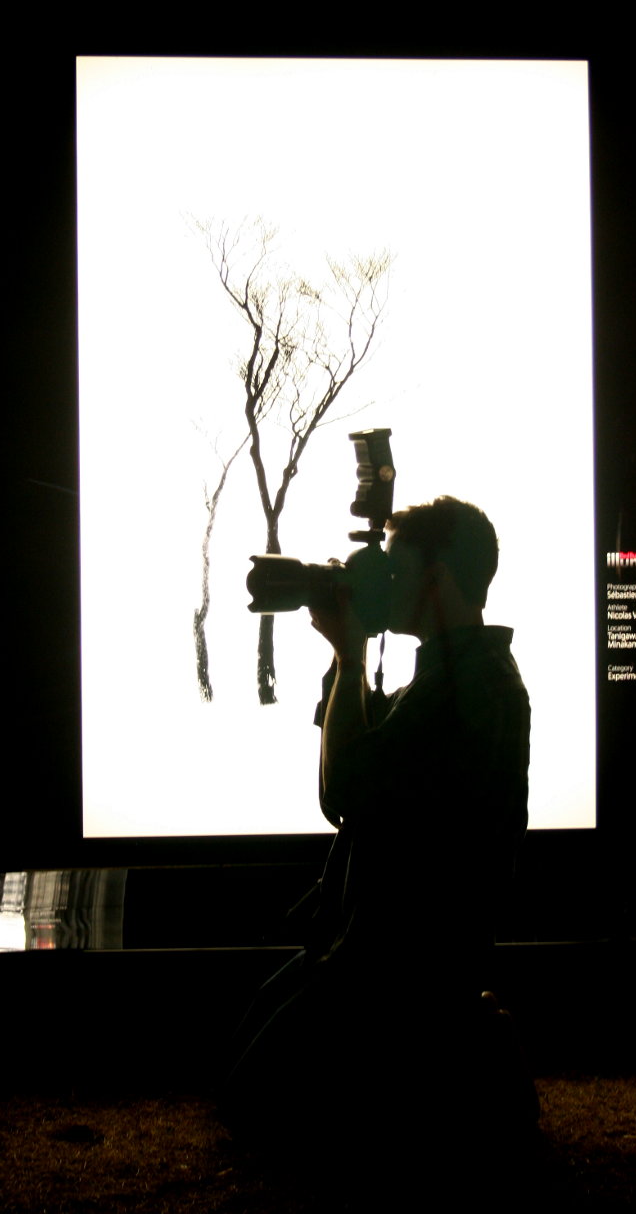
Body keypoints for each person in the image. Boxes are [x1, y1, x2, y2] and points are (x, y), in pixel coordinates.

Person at [223, 496, 535, 1178]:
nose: (380, 585)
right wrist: (347, 659)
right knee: (247, 1068)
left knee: (260, 1109)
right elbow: (363, 760)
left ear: (439, 579)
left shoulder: (469, 688)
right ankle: (465, 1044)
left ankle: (469, 1041)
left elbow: (343, 794)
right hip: (382, 941)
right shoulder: (453, 672)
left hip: (409, 961)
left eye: (395, 571)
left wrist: (352, 651)